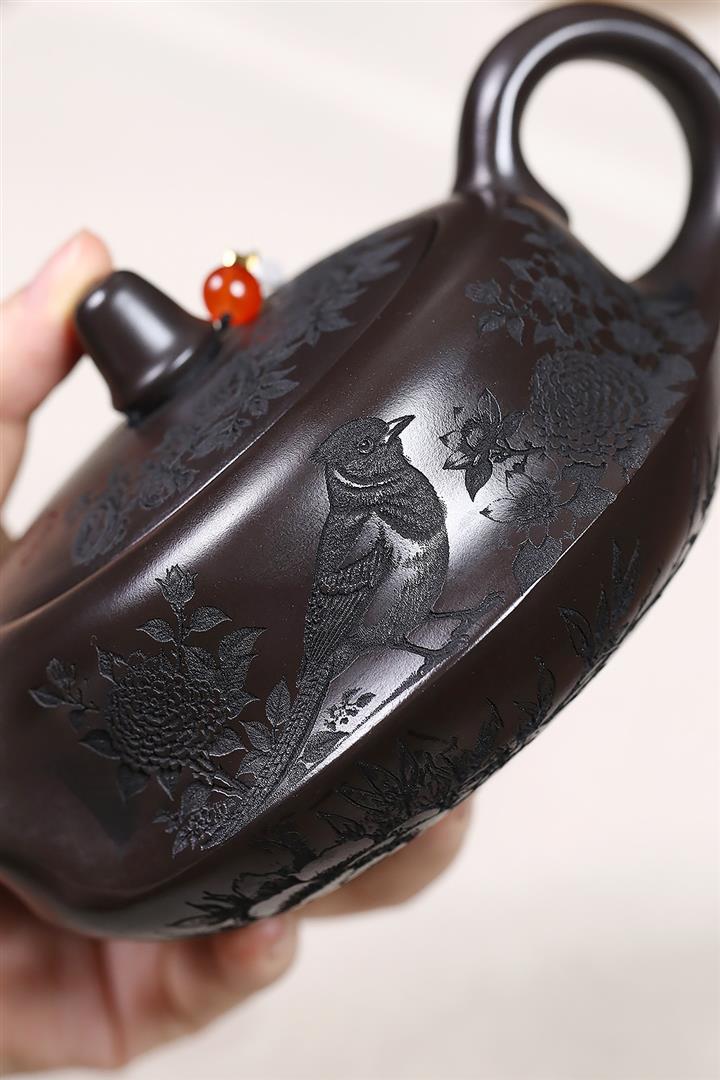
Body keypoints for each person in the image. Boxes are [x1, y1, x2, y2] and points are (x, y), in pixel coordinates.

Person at [0, 231, 472, 1073]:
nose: (389, 440)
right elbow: (334, 624)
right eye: (373, 446)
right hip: (346, 642)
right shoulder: (358, 522)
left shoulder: (392, 481)